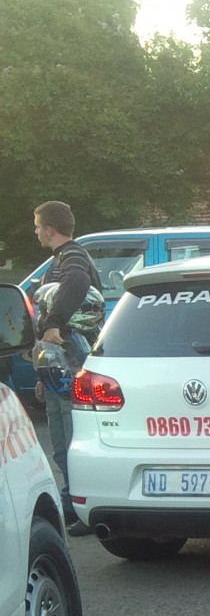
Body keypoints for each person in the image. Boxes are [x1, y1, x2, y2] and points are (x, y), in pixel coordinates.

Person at [31, 200, 100, 534]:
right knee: (60, 440)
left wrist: (55, 322)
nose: (35, 232)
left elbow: (76, 284)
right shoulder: (60, 259)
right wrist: (41, 372)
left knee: (71, 437)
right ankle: (71, 502)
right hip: (57, 365)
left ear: (50, 229)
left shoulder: (72, 257)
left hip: (72, 359)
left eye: (37, 225)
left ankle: (80, 505)